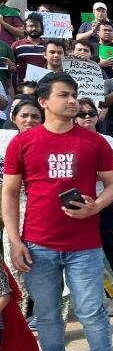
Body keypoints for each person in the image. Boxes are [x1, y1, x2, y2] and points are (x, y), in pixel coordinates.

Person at [3, 72, 113, 351]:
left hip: (85, 245)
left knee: (92, 313)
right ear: (43, 102)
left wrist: (96, 205)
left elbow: (112, 186)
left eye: (74, 94)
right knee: (47, 314)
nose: (72, 101)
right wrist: (15, 241)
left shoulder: (95, 141)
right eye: (64, 95)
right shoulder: (22, 143)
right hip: (38, 244)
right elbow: (10, 193)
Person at [74, 98, 113, 317]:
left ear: (98, 115)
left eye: (91, 113)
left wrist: (99, 172)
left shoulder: (107, 139)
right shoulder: (70, 140)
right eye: (82, 114)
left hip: (105, 199)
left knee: (108, 247)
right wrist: (102, 171)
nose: (87, 117)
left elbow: (112, 176)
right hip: (78, 201)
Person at [1, 99, 43, 319]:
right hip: (11, 212)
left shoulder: (49, 144)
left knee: (42, 266)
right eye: (24, 115)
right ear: (13, 118)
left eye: (35, 116)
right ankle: (21, 316)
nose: (29, 120)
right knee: (15, 264)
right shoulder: (4, 143)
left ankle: (43, 313)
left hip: (40, 212)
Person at [11, 12, 45, 84]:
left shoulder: (48, 46)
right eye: (31, 26)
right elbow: (12, 66)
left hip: (44, 87)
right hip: (23, 89)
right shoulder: (16, 45)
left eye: (37, 26)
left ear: (41, 28)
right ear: (25, 28)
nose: (34, 28)